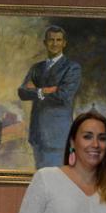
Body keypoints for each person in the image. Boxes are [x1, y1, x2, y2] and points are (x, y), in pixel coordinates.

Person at [18, 25, 82, 169]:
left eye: (58, 40)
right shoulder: (36, 68)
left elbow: (63, 96)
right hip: (37, 134)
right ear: (45, 42)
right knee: (41, 179)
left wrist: (36, 91)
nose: (54, 43)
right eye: (51, 40)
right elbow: (22, 92)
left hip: (57, 136)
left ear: (64, 43)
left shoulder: (72, 67)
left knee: (55, 182)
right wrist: (46, 90)